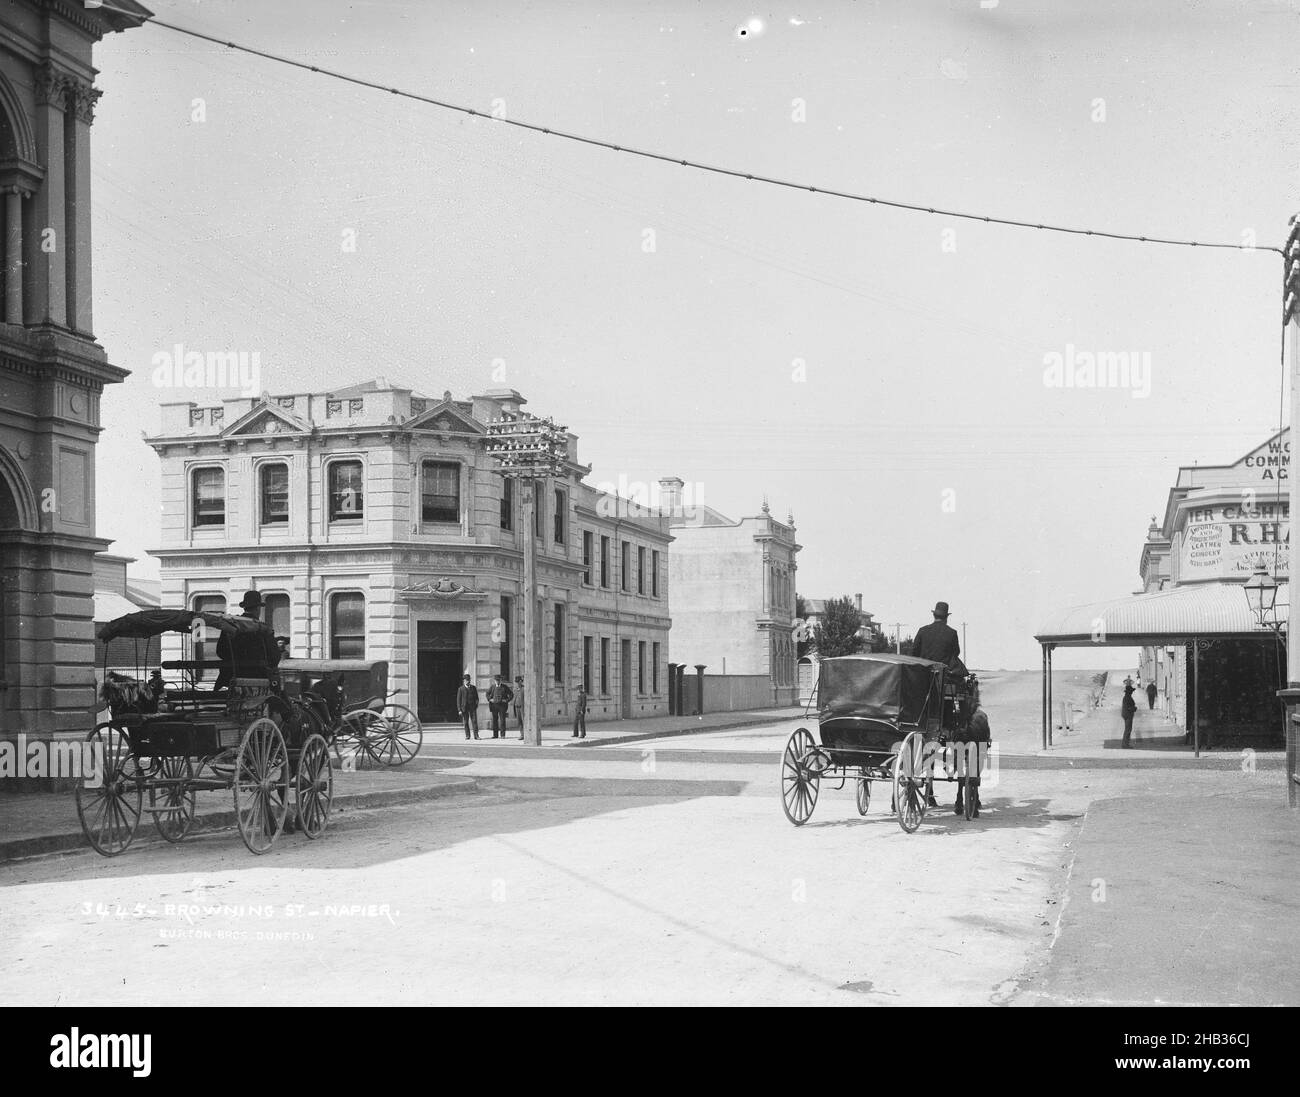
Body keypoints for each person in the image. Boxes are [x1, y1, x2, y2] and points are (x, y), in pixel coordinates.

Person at [212, 590, 280, 690]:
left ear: (244, 607)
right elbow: (274, 657)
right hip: (257, 678)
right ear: (258, 608)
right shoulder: (263, 628)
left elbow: (220, 652)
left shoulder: (230, 625)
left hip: (230, 677)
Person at [954, 688, 991, 818]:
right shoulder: (980, 717)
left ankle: (960, 798)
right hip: (977, 739)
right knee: (975, 763)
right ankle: (973, 800)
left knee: (960, 761)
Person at [914, 601, 961, 668]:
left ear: (934, 615)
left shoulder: (922, 630)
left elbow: (914, 652)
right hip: (943, 674)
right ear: (946, 617)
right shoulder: (952, 633)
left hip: (923, 673)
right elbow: (956, 653)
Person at [487, 673, 514, 738]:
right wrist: (490, 699)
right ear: (494, 680)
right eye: (496, 680)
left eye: (498, 680)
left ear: (500, 680)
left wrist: (507, 700)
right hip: (494, 706)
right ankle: (495, 735)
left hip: (502, 706)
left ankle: (502, 735)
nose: (497, 681)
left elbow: (511, 694)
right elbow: (487, 694)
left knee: (502, 720)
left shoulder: (504, 687)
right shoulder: (492, 687)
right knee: (495, 720)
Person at [457, 675, 480, 740]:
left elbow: (477, 698)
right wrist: (459, 710)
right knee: (466, 722)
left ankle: (476, 736)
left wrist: (476, 705)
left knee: (474, 721)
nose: (467, 681)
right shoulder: (461, 689)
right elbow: (458, 700)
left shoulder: (473, 688)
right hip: (464, 708)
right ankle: (467, 735)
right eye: (466, 680)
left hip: (472, 708)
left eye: (468, 680)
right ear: (464, 681)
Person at [1121, 678, 1137, 748]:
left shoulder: (1127, 697)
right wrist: (1134, 708)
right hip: (1128, 715)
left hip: (1126, 714)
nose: (1132, 692)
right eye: (1131, 691)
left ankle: (1126, 744)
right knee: (1128, 730)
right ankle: (1125, 744)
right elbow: (1128, 707)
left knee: (1127, 729)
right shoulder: (1127, 697)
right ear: (1129, 692)